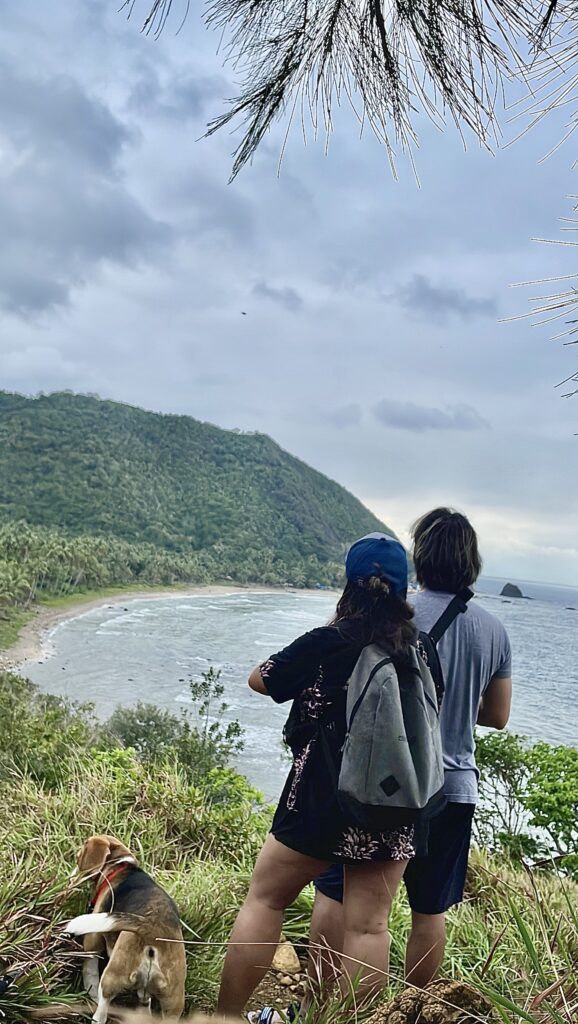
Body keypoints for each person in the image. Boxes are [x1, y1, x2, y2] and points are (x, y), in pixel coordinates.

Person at [216, 534, 427, 1019]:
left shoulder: (329, 640)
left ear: (349, 584)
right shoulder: (421, 650)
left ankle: (225, 1017)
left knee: (267, 900)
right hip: (392, 802)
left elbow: (261, 679)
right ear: (402, 589)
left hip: (318, 794)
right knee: (370, 927)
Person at [310, 508, 512, 993]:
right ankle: (412, 1009)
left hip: (381, 785)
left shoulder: (391, 614)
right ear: (472, 563)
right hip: (451, 789)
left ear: (420, 558)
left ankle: (321, 1006)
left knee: (339, 899)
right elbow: (498, 716)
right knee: (428, 913)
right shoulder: (493, 631)